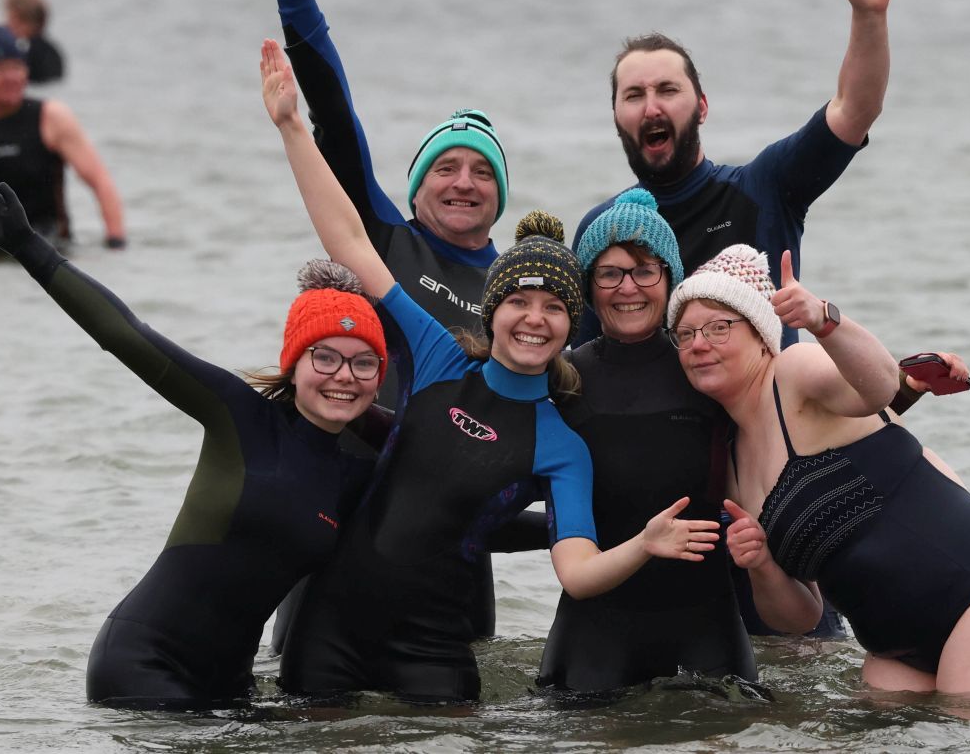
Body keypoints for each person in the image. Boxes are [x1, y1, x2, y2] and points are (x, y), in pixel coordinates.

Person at [261, 40, 718, 703]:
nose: (534, 319)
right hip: (333, 628)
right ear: (492, 309)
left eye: (554, 307)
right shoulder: (442, 353)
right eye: (518, 302)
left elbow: (579, 571)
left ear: (572, 323)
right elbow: (350, 240)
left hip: (437, 648)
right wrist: (290, 126)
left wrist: (644, 542)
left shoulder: (561, 440)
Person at [0, 179, 394, 710]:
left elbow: (458, 500)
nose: (343, 376)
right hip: (143, 664)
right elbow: (127, 334)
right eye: (324, 357)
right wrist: (30, 247)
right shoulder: (238, 413)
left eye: (363, 362)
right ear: (293, 364)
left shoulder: (356, 476)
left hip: (232, 687)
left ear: (377, 377)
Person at [260, 0, 513, 640]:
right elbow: (336, 118)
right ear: (416, 186)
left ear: (500, 195)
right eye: (446, 167)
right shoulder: (382, 240)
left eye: (482, 171)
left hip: (457, 536)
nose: (463, 181)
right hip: (344, 503)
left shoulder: (521, 296)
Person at [667, 244, 970, 694]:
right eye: (685, 333)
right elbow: (801, 617)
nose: (698, 344)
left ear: (759, 333)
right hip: (892, 652)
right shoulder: (731, 464)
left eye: (718, 328)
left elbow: (880, 388)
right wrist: (761, 566)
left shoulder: (793, 374)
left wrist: (823, 320)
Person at [573, 0, 897, 351]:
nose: (652, 107)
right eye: (634, 95)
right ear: (616, 117)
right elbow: (578, 363)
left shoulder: (765, 187)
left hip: (766, 413)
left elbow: (855, 109)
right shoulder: (601, 230)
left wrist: (869, 15)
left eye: (668, 90)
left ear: (702, 107)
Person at [539, 188, 759, 692]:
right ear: (590, 287)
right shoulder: (564, 378)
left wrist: (894, 397)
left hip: (705, 620)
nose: (627, 288)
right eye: (609, 273)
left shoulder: (705, 367)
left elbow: (789, 427)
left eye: (644, 271)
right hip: (596, 628)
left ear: (669, 279)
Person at [0, 26, 125, 249]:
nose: (11, 77)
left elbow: (100, 181)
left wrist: (116, 241)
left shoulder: (51, 117)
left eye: (17, 66)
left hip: (53, 251)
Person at [3, 0, 65, 83]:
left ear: (24, 23)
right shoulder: (52, 50)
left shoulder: (24, 50)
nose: (5, 24)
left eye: (10, 19)